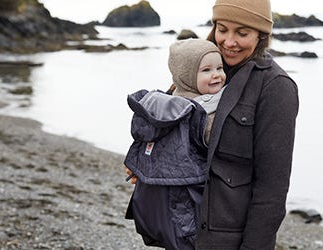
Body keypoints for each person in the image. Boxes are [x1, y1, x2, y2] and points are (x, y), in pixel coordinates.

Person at [126, 0, 299, 248]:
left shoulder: (276, 87)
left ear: (261, 34)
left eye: (242, 32)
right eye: (222, 29)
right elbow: (165, 122)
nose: (229, 42)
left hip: (228, 239)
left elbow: (272, 189)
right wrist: (141, 163)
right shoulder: (203, 66)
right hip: (181, 229)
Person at [123, 39, 226, 250]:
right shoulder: (202, 112)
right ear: (186, 76)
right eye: (206, 70)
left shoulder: (162, 103)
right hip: (186, 203)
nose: (217, 75)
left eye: (220, 67)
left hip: (159, 209)